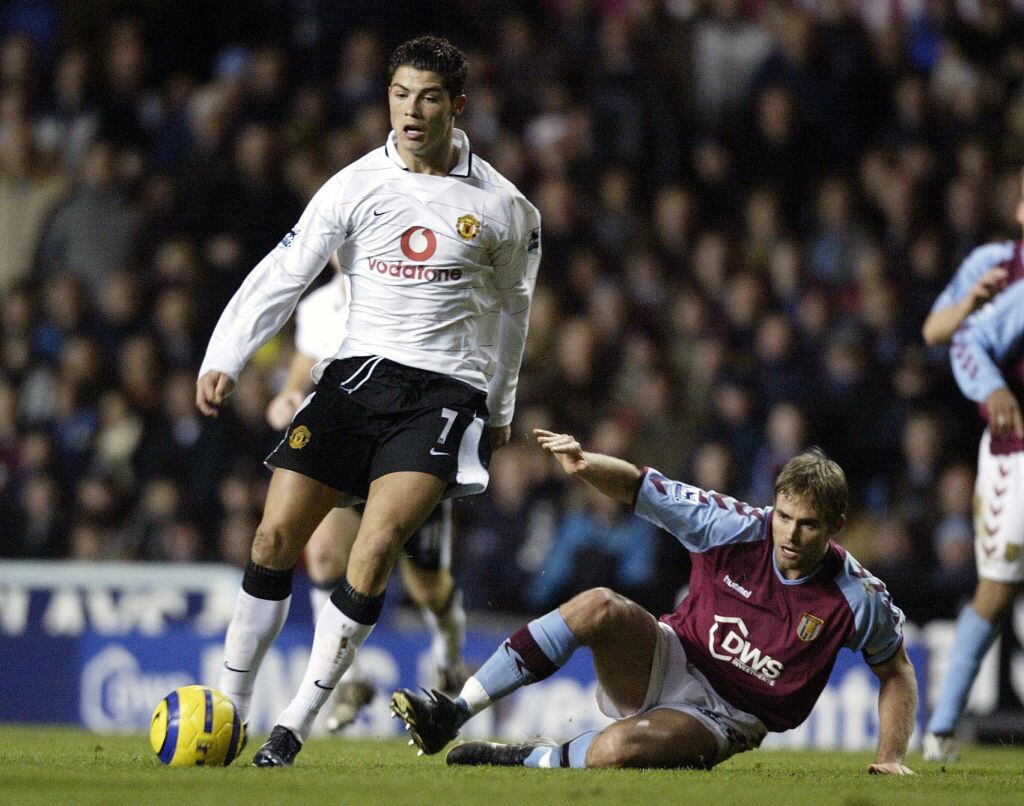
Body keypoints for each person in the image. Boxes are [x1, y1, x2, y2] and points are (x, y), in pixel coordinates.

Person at [195, 35, 540, 767]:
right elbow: (286, 271)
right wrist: (225, 353)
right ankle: (230, 705)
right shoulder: (354, 185)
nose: (412, 112)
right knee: (271, 542)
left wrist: (502, 407)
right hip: (355, 381)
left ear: (458, 106)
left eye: (429, 98)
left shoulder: (507, 209)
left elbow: (515, 314)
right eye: (400, 95)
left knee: (377, 548)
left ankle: (291, 726)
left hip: (444, 395)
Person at [390, 430, 917, 774]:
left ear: (836, 527)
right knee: (599, 604)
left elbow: (896, 671)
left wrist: (889, 757)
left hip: (725, 715)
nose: (791, 534)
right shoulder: (733, 527)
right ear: (772, 506)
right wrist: (585, 462)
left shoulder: (855, 596)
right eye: (784, 516)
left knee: (619, 750)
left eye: (808, 525)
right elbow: (644, 488)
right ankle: (455, 710)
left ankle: (529, 758)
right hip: (669, 655)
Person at [265, 259, 469, 731]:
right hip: (347, 443)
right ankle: (349, 680)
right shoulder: (318, 306)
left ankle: (449, 655)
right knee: (321, 556)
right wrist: (288, 398)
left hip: (406, 443)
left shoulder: (406, 287)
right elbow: (302, 371)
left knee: (428, 589)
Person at [919, 236, 1024, 761]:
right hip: (1017, 451)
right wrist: (992, 389)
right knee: (999, 588)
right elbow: (947, 335)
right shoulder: (999, 269)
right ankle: (940, 727)